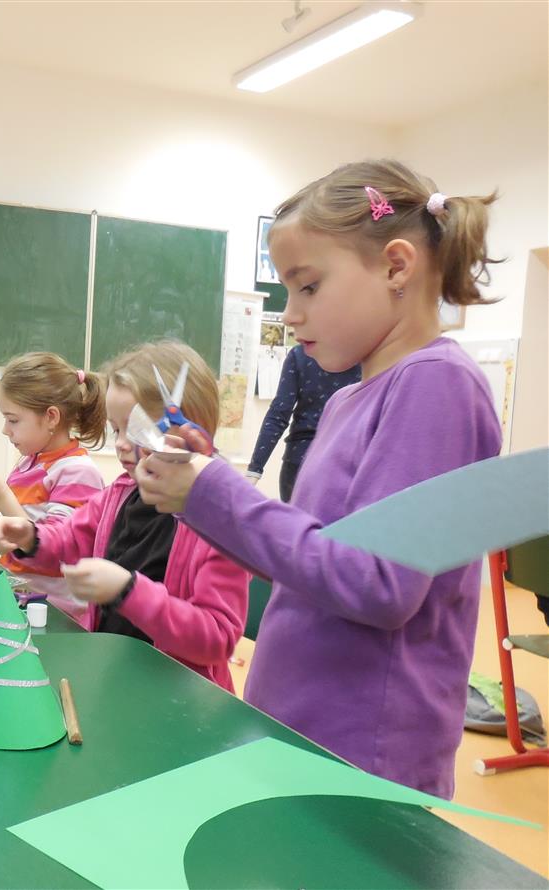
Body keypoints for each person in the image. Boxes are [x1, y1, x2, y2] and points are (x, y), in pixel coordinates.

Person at [136, 160, 502, 798]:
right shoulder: (344, 402)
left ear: (396, 267)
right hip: (301, 729)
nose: (290, 314)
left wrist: (214, 492)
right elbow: (307, 556)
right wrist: (207, 484)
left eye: (307, 287)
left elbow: (380, 584)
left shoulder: (435, 384)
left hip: (363, 756)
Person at [0, 342, 248, 690]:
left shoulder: (218, 518)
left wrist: (127, 591)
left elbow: (216, 638)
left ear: (189, 429)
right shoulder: (121, 492)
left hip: (180, 696)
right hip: (115, 676)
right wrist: (29, 536)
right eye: (116, 430)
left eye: (136, 429)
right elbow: (68, 539)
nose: (122, 444)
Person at [0, 351, 106, 624]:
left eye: (13, 420)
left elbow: (52, 551)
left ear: (51, 417)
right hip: (19, 600)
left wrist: (1, 493)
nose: (5, 430)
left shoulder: (77, 473)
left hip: (54, 616)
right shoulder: (29, 463)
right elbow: (2, 528)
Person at [246, 343, 360, 501]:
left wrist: (254, 469)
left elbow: (279, 413)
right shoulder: (366, 354)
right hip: (346, 461)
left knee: (294, 518)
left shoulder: (300, 353)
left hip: (300, 460)